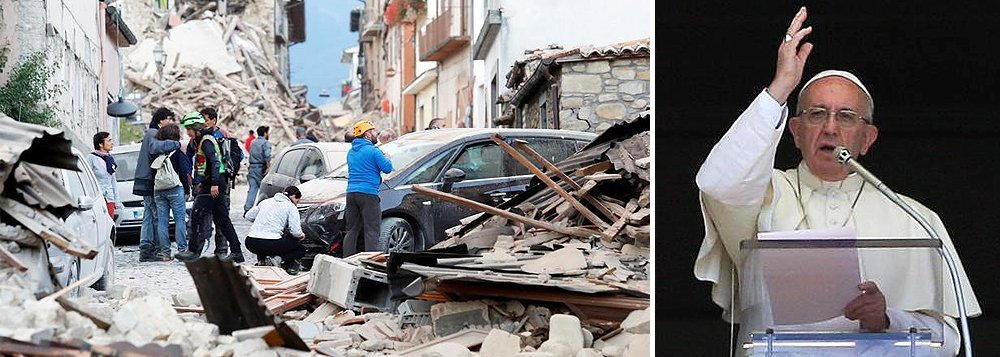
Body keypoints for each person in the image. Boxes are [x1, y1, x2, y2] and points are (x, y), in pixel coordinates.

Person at [693, 7, 981, 355]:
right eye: (817, 114)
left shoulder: (913, 217)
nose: (830, 127)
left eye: (846, 116)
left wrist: (887, 319)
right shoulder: (765, 193)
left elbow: (949, 341)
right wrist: (780, 88)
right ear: (796, 132)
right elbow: (718, 183)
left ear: (867, 138)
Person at [175, 112, 244, 263]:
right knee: (222, 220)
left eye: (189, 129)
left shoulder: (206, 141)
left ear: (196, 128)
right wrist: (205, 181)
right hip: (212, 182)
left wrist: (213, 184)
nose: (187, 133)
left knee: (196, 214)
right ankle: (237, 252)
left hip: (214, 184)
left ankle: (193, 250)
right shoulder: (204, 139)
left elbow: (215, 162)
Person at [134, 107, 181, 262]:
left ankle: (146, 248)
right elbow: (155, 148)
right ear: (161, 120)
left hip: (145, 179)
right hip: (149, 180)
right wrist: (176, 144)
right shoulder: (153, 133)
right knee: (154, 216)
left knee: (148, 214)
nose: (170, 122)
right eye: (168, 118)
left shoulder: (150, 133)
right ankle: (151, 249)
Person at [342, 120, 393, 257]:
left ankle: (347, 260)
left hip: (351, 193)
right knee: (371, 230)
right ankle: (371, 260)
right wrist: (386, 157)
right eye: (373, 131)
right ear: (367, 135)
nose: (376, 134)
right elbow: (387, 168)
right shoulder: (374, 151)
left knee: (351, 230)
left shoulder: (351, 152)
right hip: (368, 194)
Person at [200, 106, 243, 259]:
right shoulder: (205, 135)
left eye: (205, 120)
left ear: (213, 120)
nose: (203, 123)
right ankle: (213, 249)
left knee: (220, 215)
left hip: (219, 182)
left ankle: (222, 248)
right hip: (209, 182)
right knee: (212, 215)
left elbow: (238, 156)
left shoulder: (223, 135)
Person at [244, 186, 307, 275]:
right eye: (297, 201)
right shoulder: (290, 206)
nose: (297, 203)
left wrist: (262, 221)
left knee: (265, 242)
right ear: (293, 196)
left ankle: (263, 261)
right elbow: (295, 231)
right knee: (300, 250)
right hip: (271, 243)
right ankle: (277, 259)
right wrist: (301, 235)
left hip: (251, 242)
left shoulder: (266, 202)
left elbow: (248, 216)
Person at [153, 123, 191, 254]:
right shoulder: (178, 152)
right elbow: (184, 171)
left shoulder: (156, 151)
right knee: (179, 220)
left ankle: (165, 253)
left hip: (159, 190)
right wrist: (187, 190)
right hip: (175, 188)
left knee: (162, 222)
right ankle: (182, 250)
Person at [88, 132, 122, 219]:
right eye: (109, 140)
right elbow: (87, 178)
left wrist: (117, 201)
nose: (112, 143)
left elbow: (113, 181)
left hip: (109, 199)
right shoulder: (91, 158)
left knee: (109, 227)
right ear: (100, 144)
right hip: (97, 199)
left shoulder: (110, 159)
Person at [244, 125, 272, 213]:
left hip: (252, 168)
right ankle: (261, 209)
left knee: (252, 189)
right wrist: (268, 168)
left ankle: (247, 209)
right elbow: (267, 156)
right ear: (265, 133)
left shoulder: (253, 142)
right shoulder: (265, 143)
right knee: (264, 190)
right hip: (261, 169)